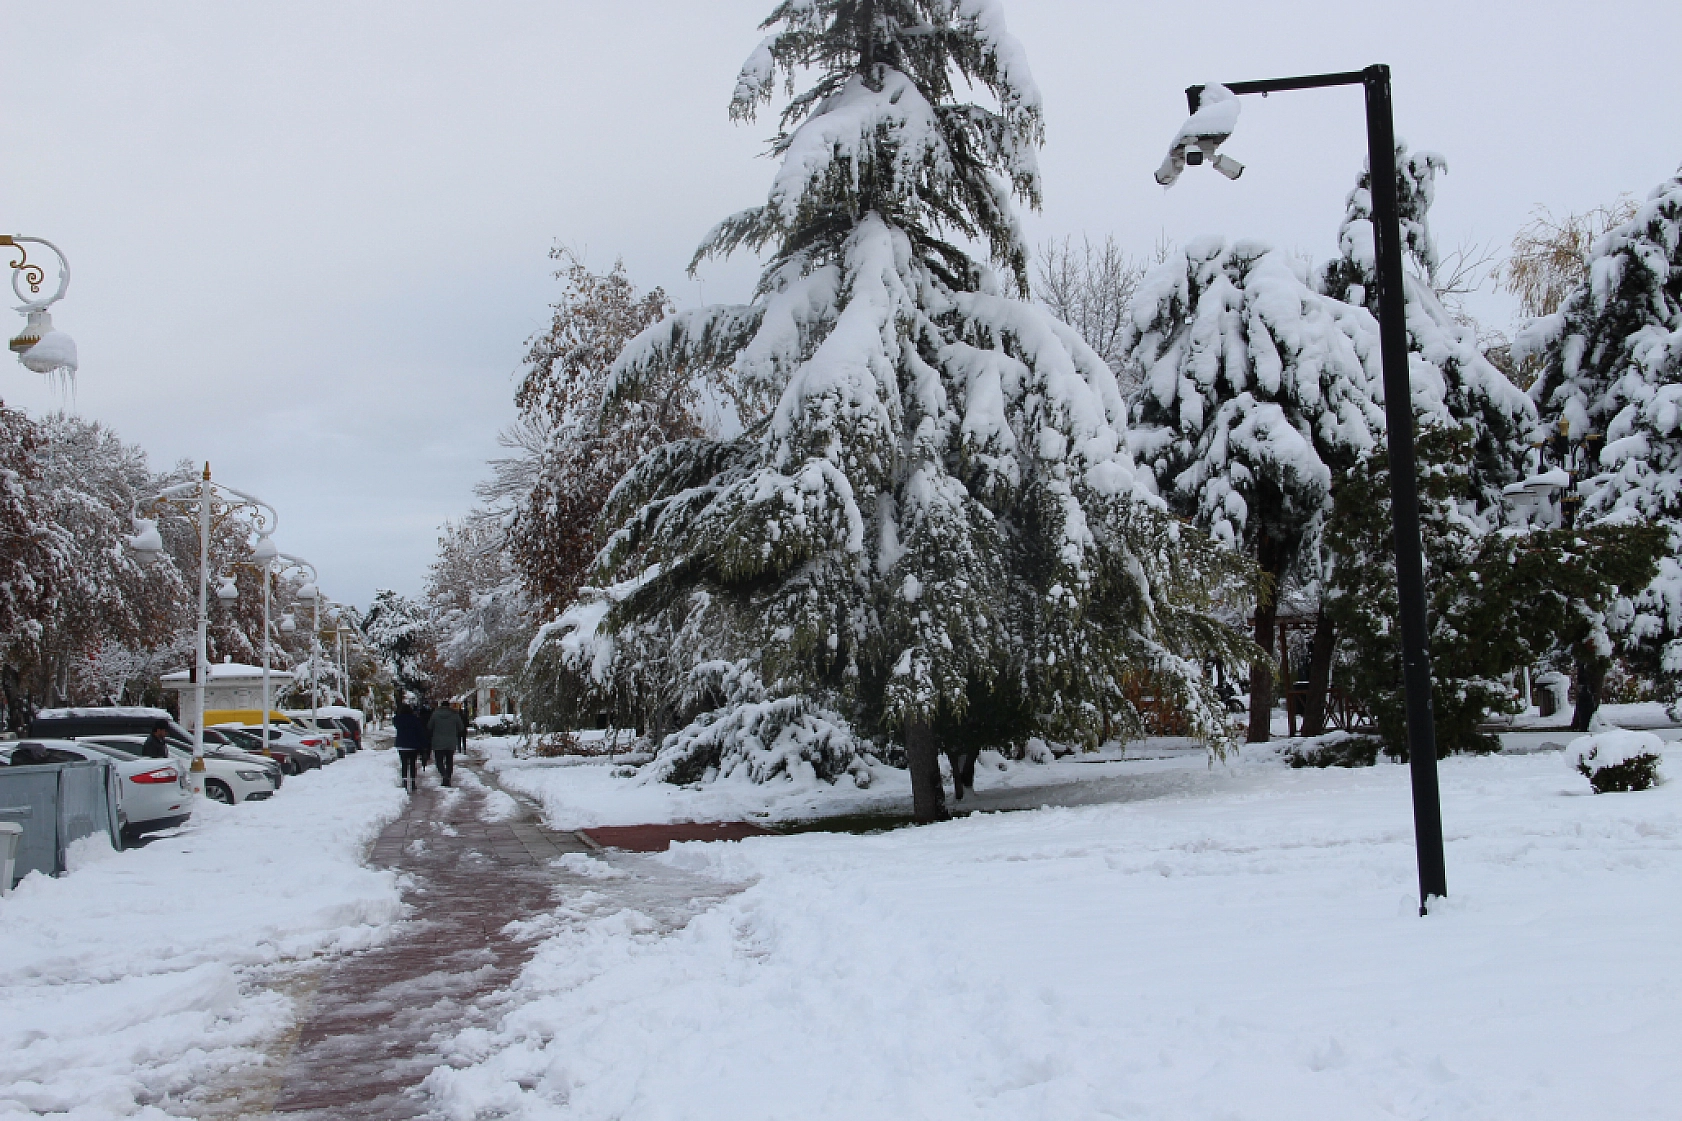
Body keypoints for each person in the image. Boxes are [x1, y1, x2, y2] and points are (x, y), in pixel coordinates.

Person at [426, 701, 466, 788]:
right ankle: (448, 777)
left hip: (438, 742)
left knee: (439, 761)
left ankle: (444, 775)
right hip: (451, 742)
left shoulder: (435, 714)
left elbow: (429, 726)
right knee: (449, 761)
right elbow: (461, 727)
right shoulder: (455, 714)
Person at [392, 701, 426, 790]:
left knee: (404, 763)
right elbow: (420, 732)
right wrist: (423, 744)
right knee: (412, 763)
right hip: (413, 745)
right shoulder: (415, 719)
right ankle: (413, 782)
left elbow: (395, 722)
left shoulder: (397, 719)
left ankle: (404, 781)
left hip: (401, 744)